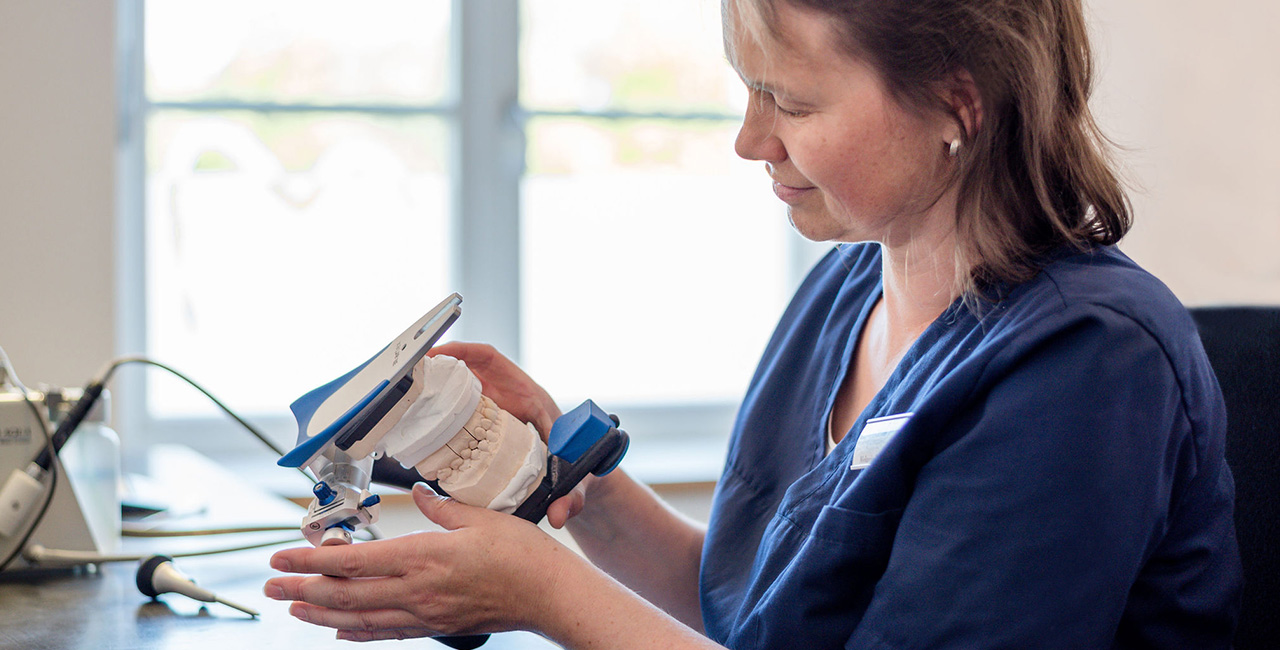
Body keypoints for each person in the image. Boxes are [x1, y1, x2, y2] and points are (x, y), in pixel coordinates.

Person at [263, 0, 1242, 647]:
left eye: (792, 101)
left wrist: (542, 591)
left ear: (956, 102)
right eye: (747, 90)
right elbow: (748, 607)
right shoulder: (845, 287)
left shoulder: (1085, 364)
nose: (749, 139)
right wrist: (569, 475)